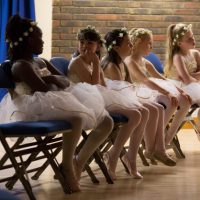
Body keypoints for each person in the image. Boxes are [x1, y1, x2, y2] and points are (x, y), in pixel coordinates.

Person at [2, 14, 114, 192]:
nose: (43, 42)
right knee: (76, 118)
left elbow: (65, 80)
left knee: (107, 121)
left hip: (53, 100)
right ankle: (67, 166)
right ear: (27, 41)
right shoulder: (20, 66)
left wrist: (53, 78)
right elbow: (42, 90)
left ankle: (79, 162)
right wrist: (53, 79)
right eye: (39, 38)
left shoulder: (41, 61)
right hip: (32, 107)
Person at [68, 25, 148, 179]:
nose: (84, 46)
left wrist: (117, 95)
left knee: (142, 112)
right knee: (136, 115)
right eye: (82, 42)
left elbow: (103, 86)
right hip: (85, 100)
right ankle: (113, 156)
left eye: (89, 43)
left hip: (99, 96)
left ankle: (129, 157)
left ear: (98, 46)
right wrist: (97, 63)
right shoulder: (77, 62)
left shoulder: (92, 61)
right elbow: (93, 86)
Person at [102, 28, 176, 167]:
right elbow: (121, 91)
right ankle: (132, 155)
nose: (131, 46)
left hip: (123, 97)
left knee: (158, 108)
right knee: (146, 110)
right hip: (113, 101)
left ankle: (149, 151)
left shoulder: (122, 63)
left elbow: (128, 86)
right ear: (116, 48)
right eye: (129, 44)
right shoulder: (112, 65)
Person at [164, 23, 200, 130]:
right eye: (188, 39)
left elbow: (188, 77)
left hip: (193, 85)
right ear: (179, 43)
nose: (193, 40)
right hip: (180, 87)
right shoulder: (177, 57)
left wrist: (190, 75)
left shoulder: (195, 53)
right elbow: (187, 80)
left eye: (192, 36)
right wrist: (191, 76)